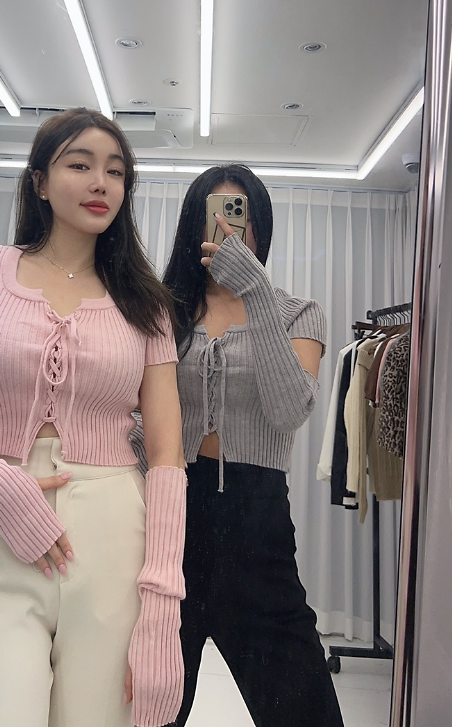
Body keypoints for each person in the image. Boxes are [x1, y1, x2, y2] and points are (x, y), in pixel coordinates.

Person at [0, 108, 187, 727]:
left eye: (116, 171)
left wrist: (162, 606)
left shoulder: (147, 304)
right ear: (40, 182)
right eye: (80, 165)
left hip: (112, 542)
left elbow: (166, 455)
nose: (101, 182)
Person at [135, 164, 343, 727]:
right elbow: (131, 410)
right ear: (194, 225)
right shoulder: (161, 311)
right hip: (169, 517)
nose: (231, 229)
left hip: (258, 524)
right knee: (150, 707)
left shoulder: (297, 312)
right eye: (218, 214)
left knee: (304, 709)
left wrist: (254, 291)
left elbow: (290, 410)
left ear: (261, 226)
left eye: (242, 215)